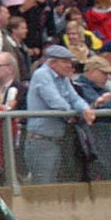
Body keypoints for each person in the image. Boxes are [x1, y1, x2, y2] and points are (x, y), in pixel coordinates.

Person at [23, 45, 96, 184]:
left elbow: (74, 98)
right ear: (52, 62)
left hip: (56, 140)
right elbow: (55, 102)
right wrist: (74, 114)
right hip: (41, 141)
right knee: (43, 184)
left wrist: (86, 109)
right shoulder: (42, 75)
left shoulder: (62, 78)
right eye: (65, 62)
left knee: (56, 183)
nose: (70, 66)